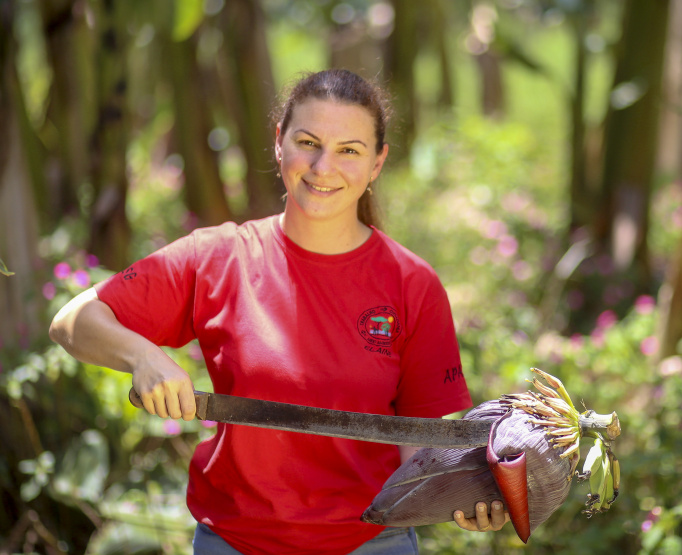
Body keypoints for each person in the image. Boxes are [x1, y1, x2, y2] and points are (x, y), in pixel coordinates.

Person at [49, 69, 507, 555]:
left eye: (349, 150)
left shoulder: (413, 284)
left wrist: (465, 492)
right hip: (235, 542)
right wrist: (141, 356)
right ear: (278, 143)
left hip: (372, 543)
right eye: (308, 142)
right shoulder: (217, 257)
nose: (323, 166)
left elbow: (419, 444)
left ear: (377, 163)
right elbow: (73, 321)